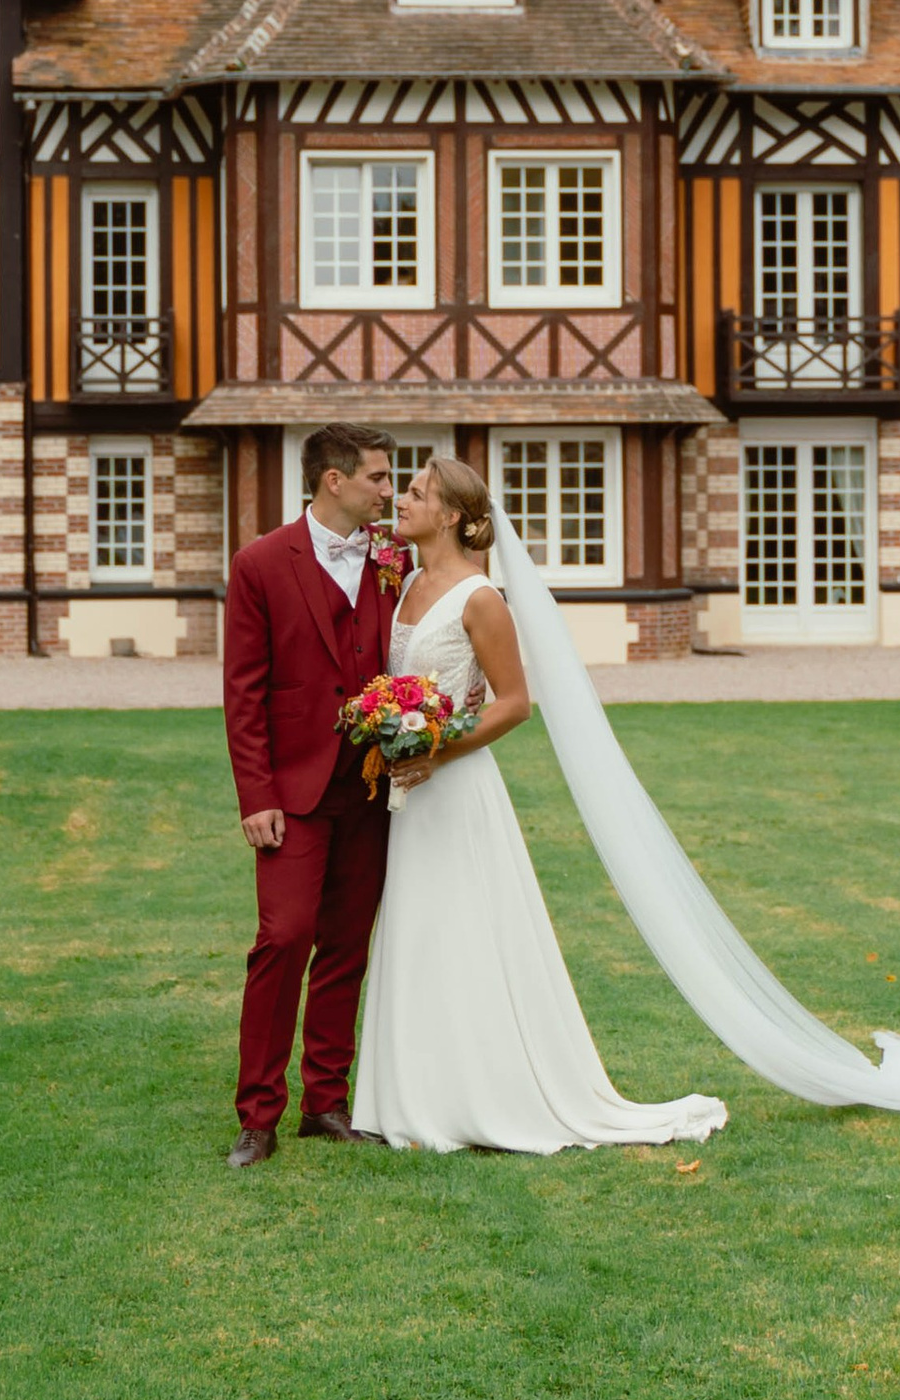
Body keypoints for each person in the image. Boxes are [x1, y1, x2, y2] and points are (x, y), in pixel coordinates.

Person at [350, 456, 729, 1155]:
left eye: (416, 493)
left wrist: (436, 743)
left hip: (456, 790)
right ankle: (411, 1094)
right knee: (414, 930)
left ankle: (485, 1094)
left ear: (453, 516)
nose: (399, 500)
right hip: (409, 794)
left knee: (464, 931)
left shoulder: (480, 598)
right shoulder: (400, 583)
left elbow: (516, 703)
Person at [219, 427, 403, 1168]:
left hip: (374, 787)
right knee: (284, 939)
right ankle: (258, 1115)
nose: (389, 493)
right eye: (379, 479)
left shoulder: (394, 563)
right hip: (291, 792)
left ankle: (326, 1101)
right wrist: (255, 794)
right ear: (334, 481)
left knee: (347, 946)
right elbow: (244, 691)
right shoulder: (261, 562)